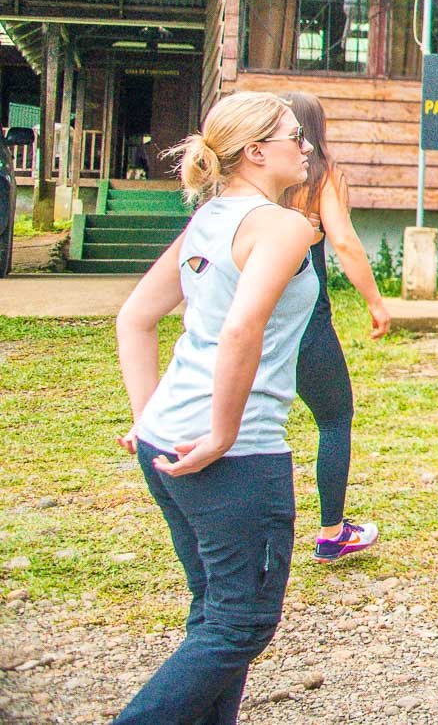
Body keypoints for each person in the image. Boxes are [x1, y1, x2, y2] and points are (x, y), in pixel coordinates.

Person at [112, 92, 321, 725]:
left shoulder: (207, 219)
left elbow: (135, 317)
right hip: (232, 454)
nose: (307, 146)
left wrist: (148, 418)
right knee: (241, 624)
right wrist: (223, 433)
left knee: (216, 614)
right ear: (257, 152)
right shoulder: (284, 226)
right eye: (295, 137)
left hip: (167, 441)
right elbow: (240, 330)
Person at [280, 91, 391, 562]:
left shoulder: (248, 184)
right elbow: (343, 242)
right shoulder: (322, 177)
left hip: (249, 316)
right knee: (333, 418)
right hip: (304, 319)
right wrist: (375, 301)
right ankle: (330, 531)